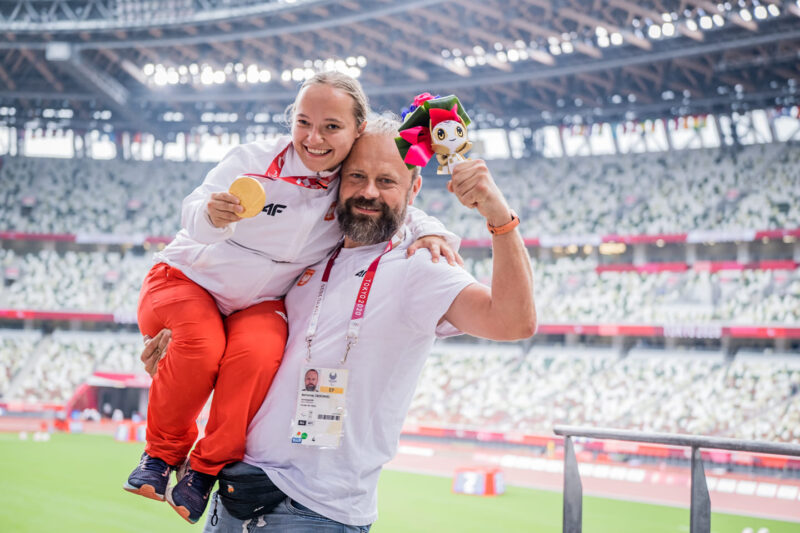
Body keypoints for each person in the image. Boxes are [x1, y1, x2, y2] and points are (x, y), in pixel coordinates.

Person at [142, 114, 536, 531]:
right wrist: (176, 356)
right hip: (236, 498)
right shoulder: (309, 255)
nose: (368, 192)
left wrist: (500, 219)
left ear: (413, 189)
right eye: (356, 177)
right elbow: (245, 352)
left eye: (387, 181)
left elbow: (513, 322)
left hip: (315, 512)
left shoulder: (421, 266)